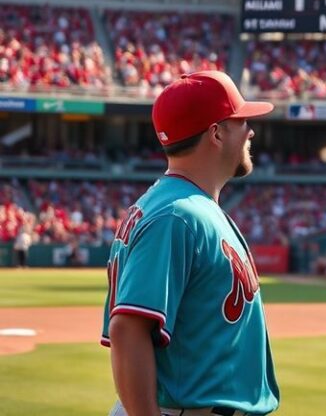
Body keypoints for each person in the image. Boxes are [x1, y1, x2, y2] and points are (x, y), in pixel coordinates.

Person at [100, 71, 280, 416]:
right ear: (216, 132)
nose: (251, 130)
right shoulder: (177, 215)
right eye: (241, 120)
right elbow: (127, 329)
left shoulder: (185, 206)